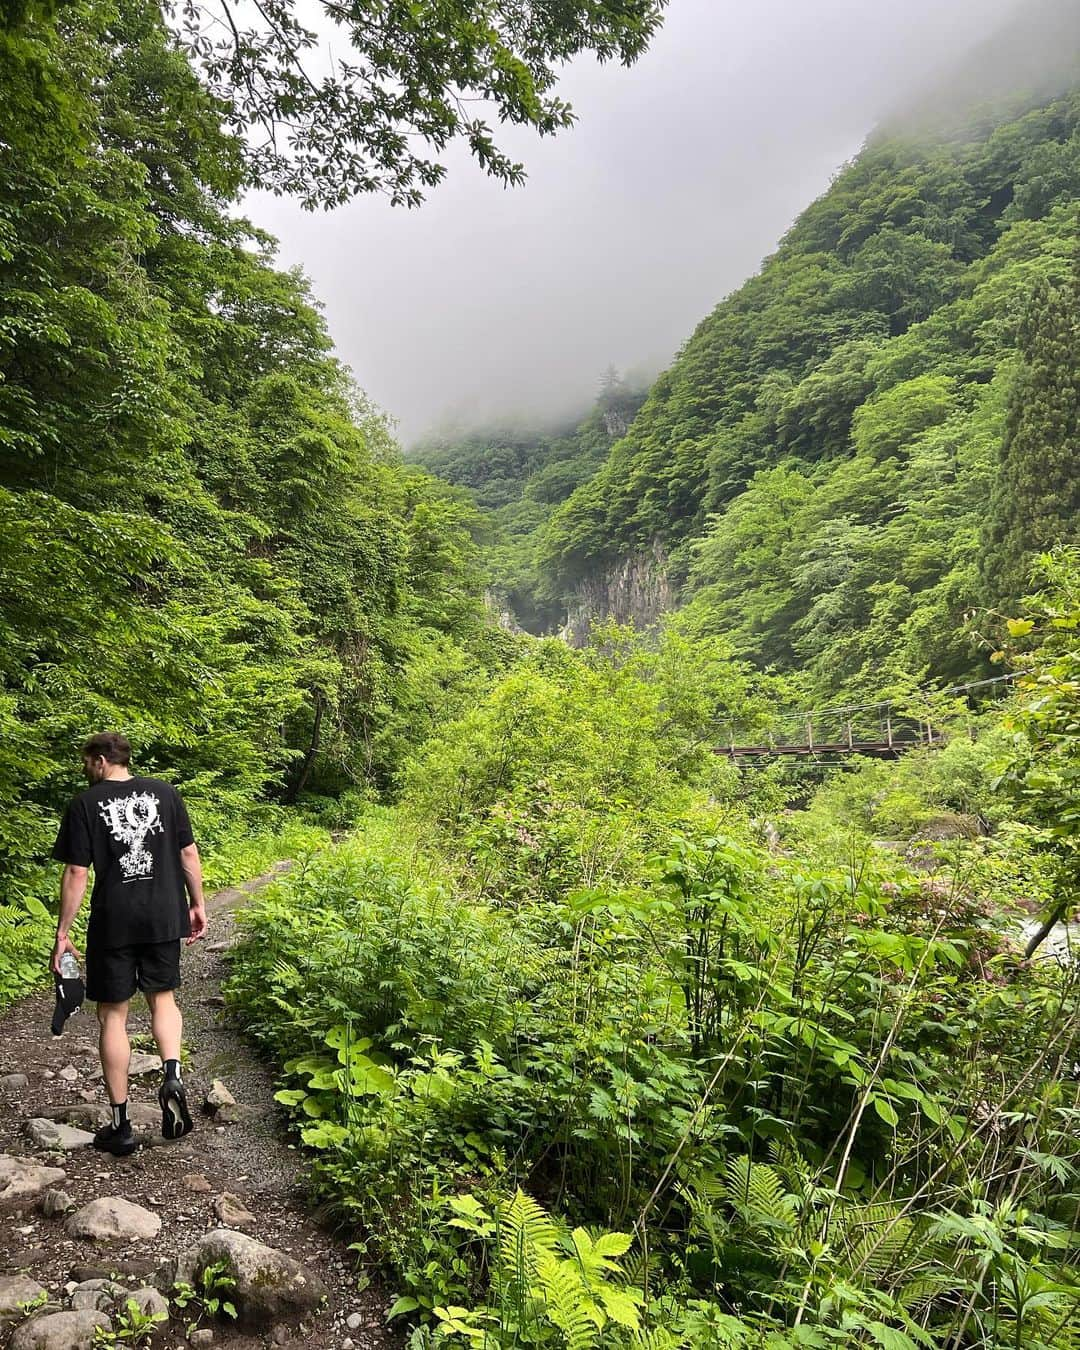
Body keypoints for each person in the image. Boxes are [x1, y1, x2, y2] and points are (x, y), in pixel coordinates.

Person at [51, 732, 208, 1156]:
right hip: (163, 913)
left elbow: (76, 873)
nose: (85, 769)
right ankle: (171, 1073)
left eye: (87, 761)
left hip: (114, 920)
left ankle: (121, 1125)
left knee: (113, 1016)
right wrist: (197, 905)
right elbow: (188, 854)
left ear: (101, 761)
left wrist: (63, 933)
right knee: (163, 998)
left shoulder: (84, 804)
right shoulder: (164, 793)